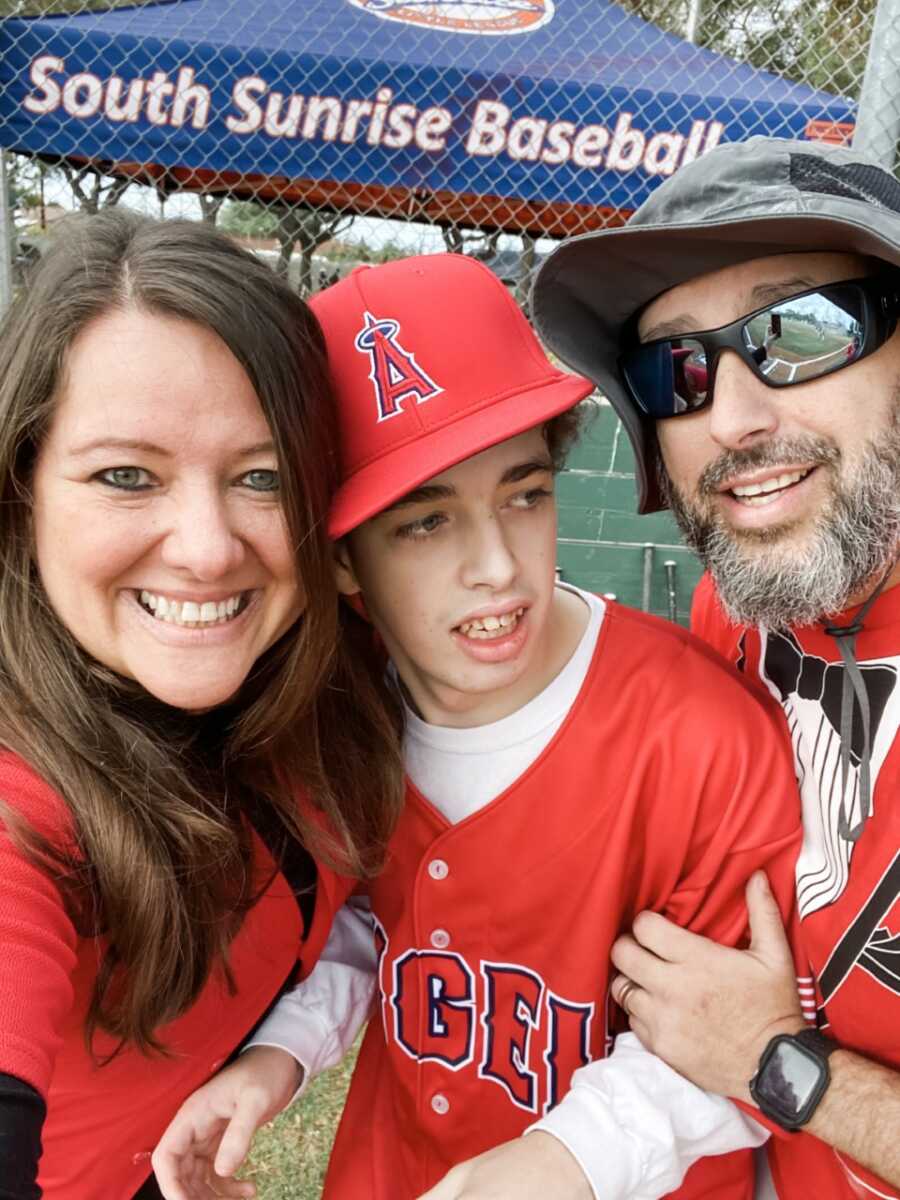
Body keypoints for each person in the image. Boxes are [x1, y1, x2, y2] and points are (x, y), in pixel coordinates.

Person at [153, 252, 806, 1200]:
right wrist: (282, 1055)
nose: (497, 565)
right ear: (340, 562)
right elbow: (371, 920)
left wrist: (569, 1158)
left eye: (525, 494)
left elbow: (755, 1050)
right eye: (425, 523)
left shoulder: (699, 737)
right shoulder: (348, 717)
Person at [0, 209, 404, 1200]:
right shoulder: (24, 806)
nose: (208, 546)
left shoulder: (334, 680)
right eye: (126, 476)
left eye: (262, 477)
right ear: (23, 491)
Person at [531, 135, 900, 1198]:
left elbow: (749, 1048)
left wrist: (784, 1066)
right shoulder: (738, 614)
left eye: (803, 332)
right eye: (677, 371)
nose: (734, 419)